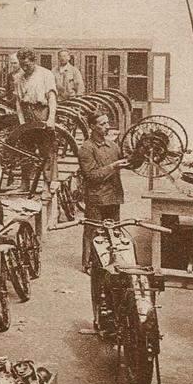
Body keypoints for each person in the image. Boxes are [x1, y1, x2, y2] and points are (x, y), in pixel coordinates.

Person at [76, 111, 130, 274]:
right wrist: (113, 166)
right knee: (93, 231)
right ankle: (88, 264)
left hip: (113, 195)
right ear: (92, 126)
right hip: (97, 197)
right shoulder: (86, 148)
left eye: (107, 123)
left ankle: (112, 261)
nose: (107, 126)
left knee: (114, 231)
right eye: (102, 124)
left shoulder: (112, 146)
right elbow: (91, 176)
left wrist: (141, 153)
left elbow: (128, 163)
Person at [16, 48, 60, 195]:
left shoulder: (46, 74)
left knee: (47, 149)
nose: (24, 67)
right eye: (22, 64)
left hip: (42, 112)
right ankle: (25, 184)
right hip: (26, 112)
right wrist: (21, 121)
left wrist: (51, 119)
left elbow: (52, 98)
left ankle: (48, 183)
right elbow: (18, 102)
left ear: (34, 61)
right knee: (25, 150)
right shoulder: (19, 77)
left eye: (27, 64)